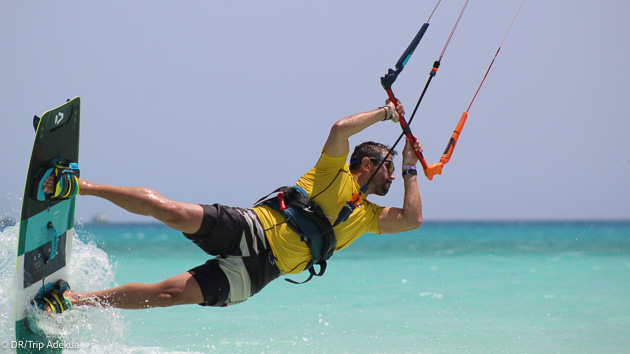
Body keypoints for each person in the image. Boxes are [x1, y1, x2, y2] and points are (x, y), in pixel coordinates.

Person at [40, 99, 422, 310]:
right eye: (388, 168)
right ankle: (79, 185)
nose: (391, 177)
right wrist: (387, 113)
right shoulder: (332, 173)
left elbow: (412, 220)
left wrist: (408, 166)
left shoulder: (370, 216)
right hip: (252, 227)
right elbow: (340, 129)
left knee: (166, 295)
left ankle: (72, 301)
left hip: (259, 273)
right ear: (367, 165)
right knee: (173, 212)